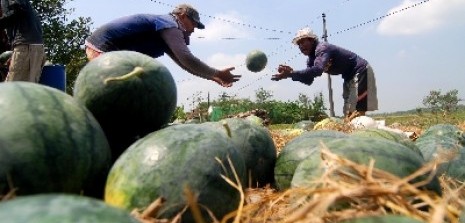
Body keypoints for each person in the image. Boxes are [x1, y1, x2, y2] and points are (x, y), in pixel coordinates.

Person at [85, 3, 241, 87]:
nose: (193, 29)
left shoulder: (166, 33)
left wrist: (212, 77)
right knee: (121, 91)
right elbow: (187, 58)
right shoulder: (169, 24)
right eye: (193, 23)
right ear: (182, 15)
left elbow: (184, 64)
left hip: (106, 49)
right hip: (103, 47)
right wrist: (217, 73)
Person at [272, 27, 378, 118]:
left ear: (312, 40)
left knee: (356, 111)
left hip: (361, 71)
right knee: (348, 112)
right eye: (299, 44)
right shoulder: (311, 59)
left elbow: (318, 70)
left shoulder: (322, 48)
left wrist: (291, 73)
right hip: (348, 76)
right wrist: (290, 75)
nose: (301, 46)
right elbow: (308, 80)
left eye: (303, 41)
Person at [0, 0, 45, 82]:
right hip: (30, 46)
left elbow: (18, 9)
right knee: (25, 89)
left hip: (26, 46)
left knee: (13, 89)